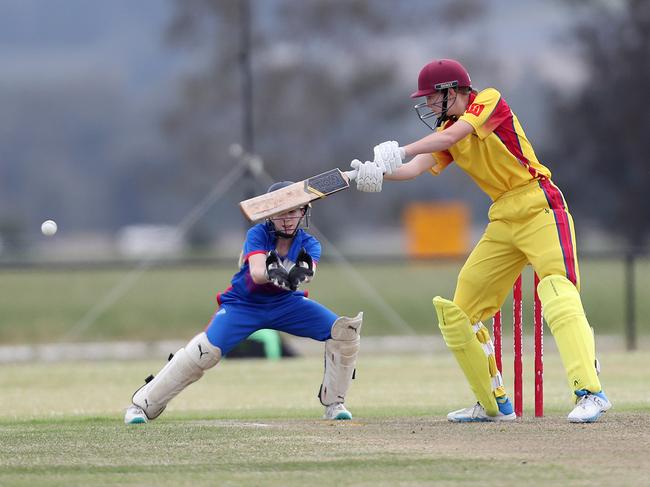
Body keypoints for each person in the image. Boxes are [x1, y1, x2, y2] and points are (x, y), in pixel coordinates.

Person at [350, 58, 610, 423]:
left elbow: (452, 137)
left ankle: (591, 393)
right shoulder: (445, 127)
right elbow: (417, 167)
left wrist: (402, 149)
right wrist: (377, 173)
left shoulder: (487, 100)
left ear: (451, 91)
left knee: (557, 292)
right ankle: (494, 404)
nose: (426, 105)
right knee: (461, 312)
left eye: (430, 97)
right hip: (503, 216)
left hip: (539, 204)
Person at [124, 181, 363, 424]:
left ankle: (335, 403)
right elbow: (258, 273)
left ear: (304, 211)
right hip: (244, 304)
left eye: (293, 211)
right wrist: (276, 272)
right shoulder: (257, 234)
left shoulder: (310, 243)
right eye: (281, 212)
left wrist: (302, 272)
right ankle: (142, 405)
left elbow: (309, 271)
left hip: (286, 304)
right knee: (204, 353)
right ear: (269, 214)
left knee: (344, 332)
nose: (287, 219)